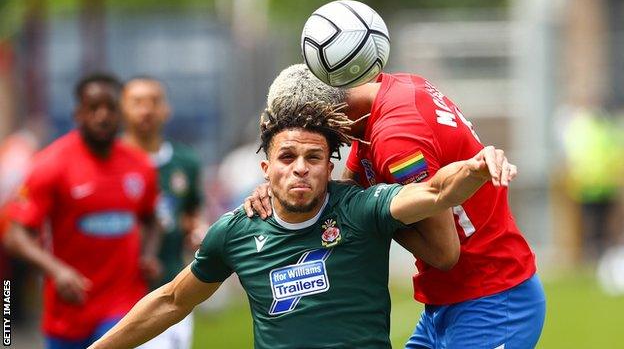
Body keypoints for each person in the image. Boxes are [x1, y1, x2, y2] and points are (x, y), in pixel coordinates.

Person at [88, 100, 516, 349]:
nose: (300, 170)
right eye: (287, 158)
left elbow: (436, 192)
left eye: (314, 159)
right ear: (265, 168)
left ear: (329, 170)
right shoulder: (236, 231)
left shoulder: (360, 210)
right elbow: (172, 301)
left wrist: (476, 167)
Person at [247, 64, 546, 349]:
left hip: (491, 299)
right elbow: (349, 192)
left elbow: (443, 253)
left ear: (328, 115)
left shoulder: (395, 138)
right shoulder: (396, 90)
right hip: (453, 300)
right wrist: (281, 190)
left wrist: (377, 217)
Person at [2, 73, 161, 349]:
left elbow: (152, 219)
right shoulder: (51, 165)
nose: (103, 116)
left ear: (121, 113)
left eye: (110, 108)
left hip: (122, 305)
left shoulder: (140, 167)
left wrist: (148, 254)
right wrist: (56, 270)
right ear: (79, 113)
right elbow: (14, 236)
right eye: (94, 108)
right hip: (68, 312)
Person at [121, 76, 205, 349]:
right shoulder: (111, 161)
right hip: (119, 293)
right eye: (137, 102)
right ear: (122, 108)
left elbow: (192, 213)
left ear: (166, 110)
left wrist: (197, 231)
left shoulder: (186, 162)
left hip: (170, 286)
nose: (146, 109)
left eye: (154, 102)